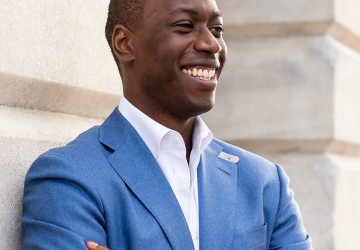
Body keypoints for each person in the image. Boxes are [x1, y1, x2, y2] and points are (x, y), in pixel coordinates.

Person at [21, 0, 312, 249]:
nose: (211, 43)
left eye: (217, 29)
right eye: (185, 25)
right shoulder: (69, 178)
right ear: (125, 43)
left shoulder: (264, 183)